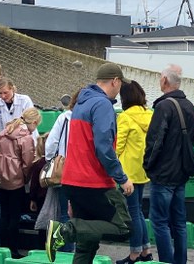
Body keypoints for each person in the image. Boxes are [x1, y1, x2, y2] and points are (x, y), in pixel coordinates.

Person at [46, 63, 133, 264]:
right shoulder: (102, 105)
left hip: (73, 180)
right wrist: (122, 178)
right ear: (115, 81)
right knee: (124, 228)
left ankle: (69, 229)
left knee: (87, 242)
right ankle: (64, 231)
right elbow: (103, 147)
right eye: (120, 84)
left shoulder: (81, 104)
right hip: (94, 181)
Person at [143, 65, 194, 264]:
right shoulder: (189, 106)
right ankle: (180, 260)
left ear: (165, 81)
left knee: (160, 222)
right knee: (179, 223)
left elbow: (155, 140)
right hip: (181, 173)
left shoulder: (163, 107)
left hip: (163, 174)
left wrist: (148, 165)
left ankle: (166, 261)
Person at [0, 107, 41, 259]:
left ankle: (3, 248)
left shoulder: (5, 131)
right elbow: (27, 163)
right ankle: (13, 249)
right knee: (14, 215)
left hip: (0, 175)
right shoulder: (26, 138)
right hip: (15, 177)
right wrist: (26, 178)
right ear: (34, 122)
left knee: (4, 214)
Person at [117, 80, 153, 264]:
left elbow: (118, 145)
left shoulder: (125, 117)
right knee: (138, 211)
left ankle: (135, 253)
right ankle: (146, 250)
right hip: (143, 170)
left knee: (133, 212)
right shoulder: (150, 115)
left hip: (128, 172)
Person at [44, 90, 79, 253]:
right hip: (85, 172)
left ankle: (66, 250)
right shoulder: (91, 118)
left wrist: (51, 160)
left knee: (64, 213)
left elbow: (51, 143)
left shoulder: (64, 118)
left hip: (65, 171)